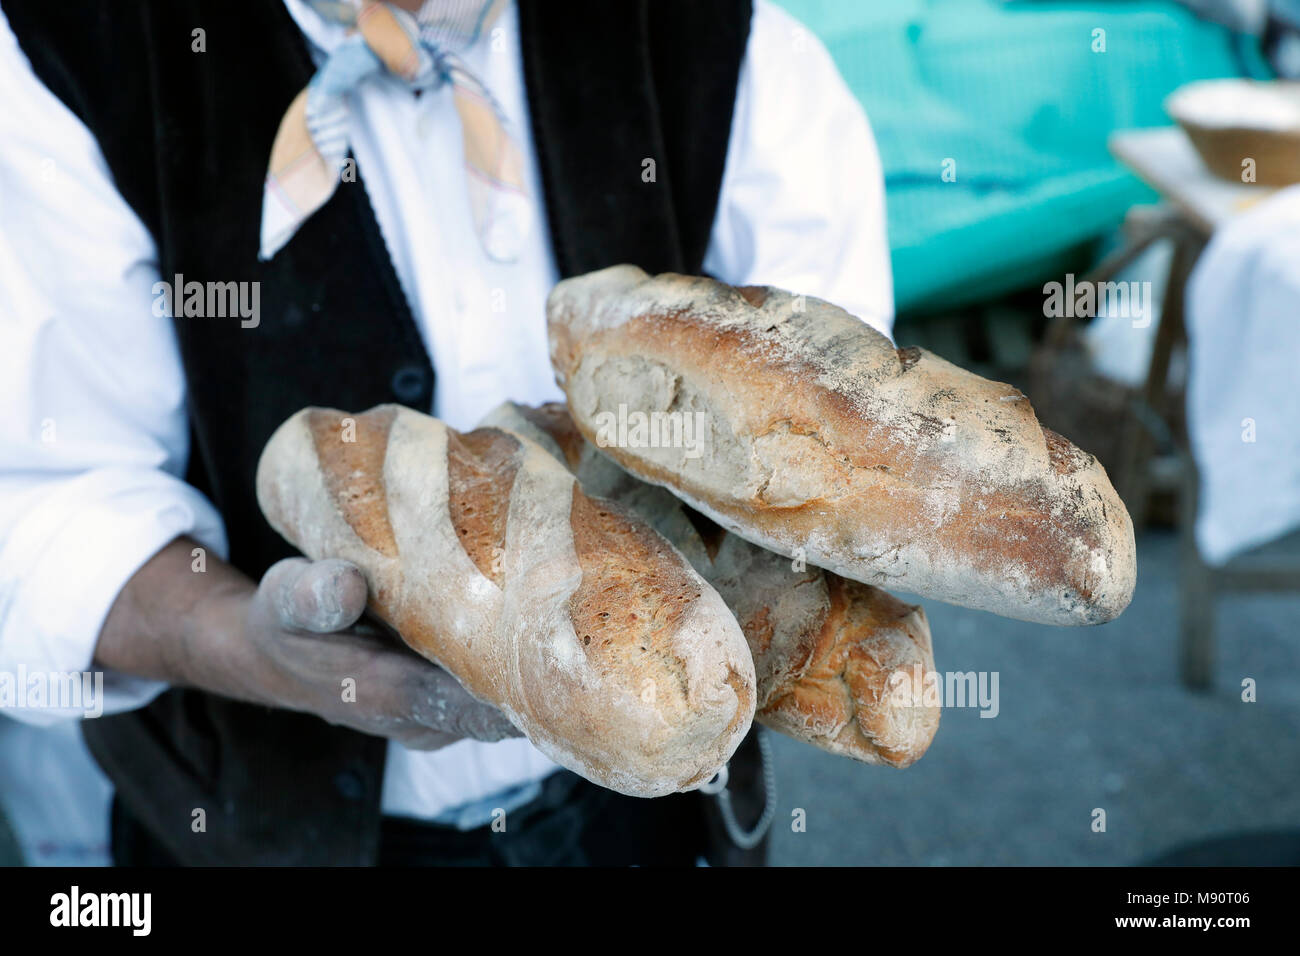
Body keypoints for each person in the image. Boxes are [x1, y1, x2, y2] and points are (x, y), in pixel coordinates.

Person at [0, 0, 892, 865]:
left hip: (651, 823)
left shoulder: (715, 36)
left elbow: (832, 417)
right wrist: (248, 645)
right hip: (260, 829)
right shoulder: (79, 49)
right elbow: (44, 504)